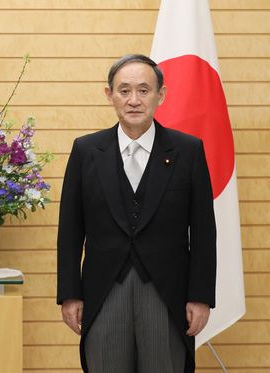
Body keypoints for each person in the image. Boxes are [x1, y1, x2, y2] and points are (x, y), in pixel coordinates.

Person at [57, 54, 216, 373]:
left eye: (144, 90)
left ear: (162, 95)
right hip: (103, 292)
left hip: (166, 293)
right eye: (124, 90)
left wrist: (200, 296)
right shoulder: (86, 151)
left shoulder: (188, 151)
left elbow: (203, 232)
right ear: (109, 94)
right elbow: (71, 230)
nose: (133, 100)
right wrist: (69, 294)